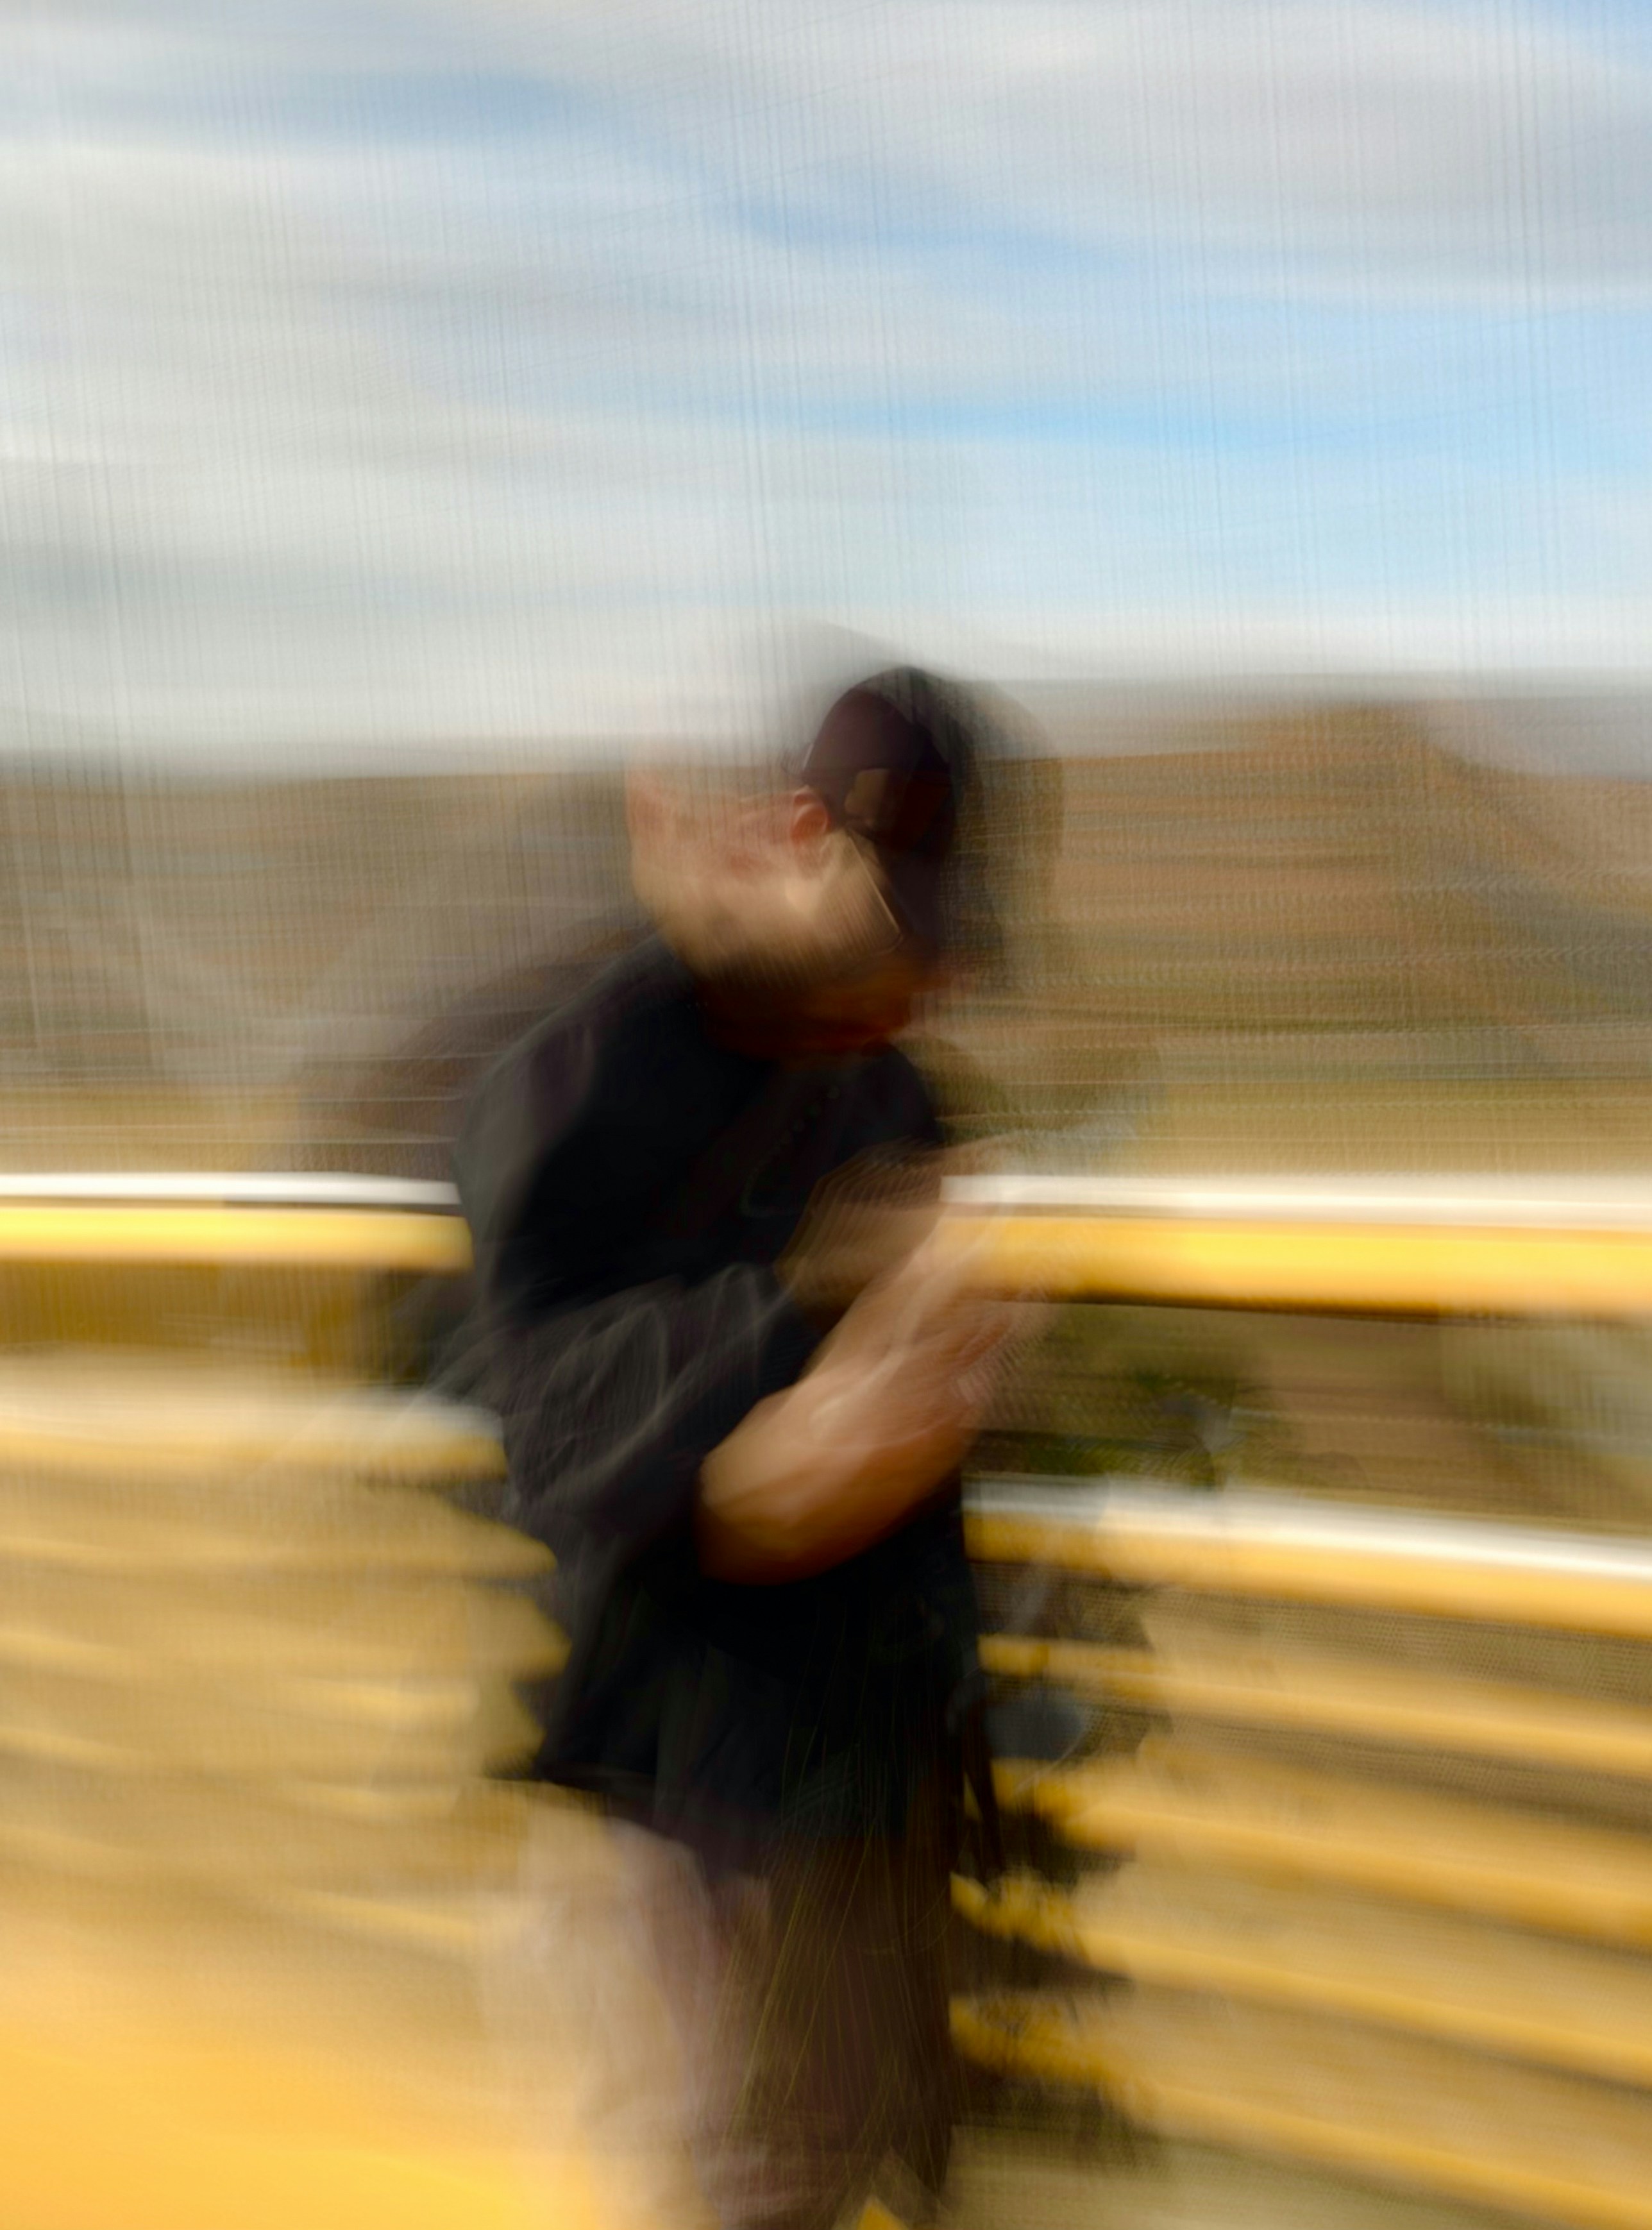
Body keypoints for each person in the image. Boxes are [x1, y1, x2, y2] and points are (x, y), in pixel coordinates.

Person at [453, 668, 1023, 2230]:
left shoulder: (893, 1089)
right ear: (792, 834)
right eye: (897, 923)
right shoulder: (583, 1082)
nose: (924, 978)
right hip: (674, 1835)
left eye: (943, 939)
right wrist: (807, 1313)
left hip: (857, 1818)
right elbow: (555, 1423)